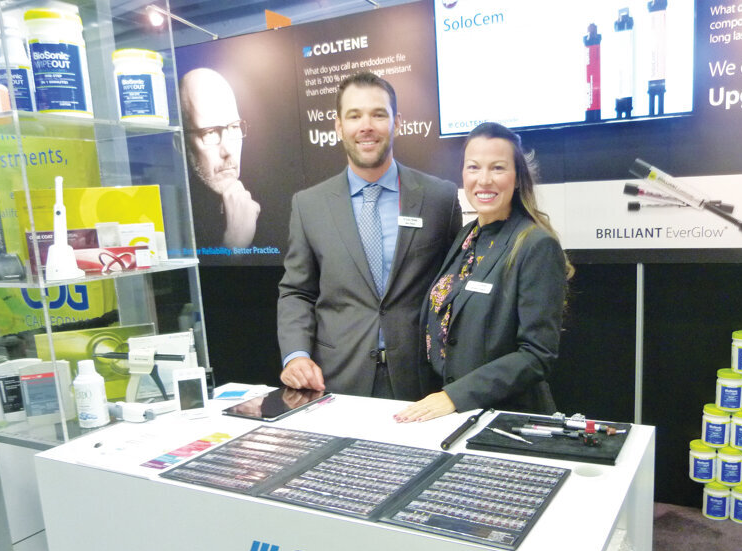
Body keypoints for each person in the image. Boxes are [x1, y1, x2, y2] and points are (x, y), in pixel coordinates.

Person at [277, 72, 462, 400]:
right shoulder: (309, 205)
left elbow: (454, 290)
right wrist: (296, 355)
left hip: (422, 382)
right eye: (354, 115)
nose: (367, 126)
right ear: (338, 127)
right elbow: (296, 292)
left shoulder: (440, 199)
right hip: (335, 379)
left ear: (397, 123)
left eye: (378, 114)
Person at [394, 122, 573, 423]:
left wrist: (455, 396)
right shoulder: (466, 236)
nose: (484, 180)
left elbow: (536, 356)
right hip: (456, 415)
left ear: (517, 179)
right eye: (473, 167)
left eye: (498, 168)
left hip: (507, 420)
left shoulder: (535, 245)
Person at [179, 67, 260, 250]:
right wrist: (234, 243)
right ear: (180, 143)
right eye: (210, 133)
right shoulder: (174, 218)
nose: (228, 150)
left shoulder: (279, 204)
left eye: (233, 127)